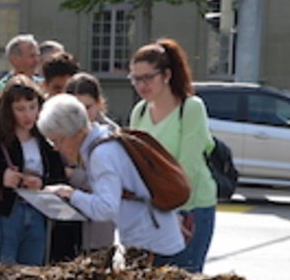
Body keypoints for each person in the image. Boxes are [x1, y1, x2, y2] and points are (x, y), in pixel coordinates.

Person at [39, 94, 186, 266]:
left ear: (78, 132)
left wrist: (71, 194)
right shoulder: (107, 137)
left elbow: (105, 208)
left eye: (58, 140)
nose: (56, 148)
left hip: (150, 244)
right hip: (157, 237)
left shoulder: (101, 155)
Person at [0, 75, 69, 266]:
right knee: (0, 277)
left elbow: (61, 179)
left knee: (32, 278)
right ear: (8, 111)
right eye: (20, 109)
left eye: (32, 107)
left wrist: (42, 183)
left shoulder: (46, 140)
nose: (28, 115)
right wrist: (0, 178)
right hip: (5, 216)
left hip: (37, 214)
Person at [127, 39, 217, 273]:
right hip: (153, 210)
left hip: (190, 207)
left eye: (148, 77)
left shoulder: (191, 108)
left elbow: (188, 166)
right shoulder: (140, 111)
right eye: (136, 78)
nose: (141, 85)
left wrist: (172, 211)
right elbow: (136, 164)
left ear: (166, 75)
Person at [63, 72, 118, 254]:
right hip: (67, 226)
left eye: (88, 107)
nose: (83, 116)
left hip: (97, 231)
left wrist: (73, 175)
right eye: (76, 109)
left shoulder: (111, 135)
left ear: (99, 103)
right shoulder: (60, 132)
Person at [0, 33, 40, 100]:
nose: (37, 60)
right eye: (32, 56)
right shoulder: (2, 88)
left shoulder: (43, 85)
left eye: (38, 55)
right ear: (14, 59)